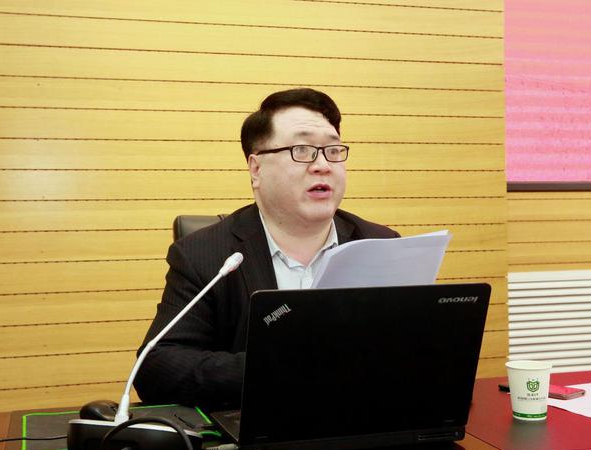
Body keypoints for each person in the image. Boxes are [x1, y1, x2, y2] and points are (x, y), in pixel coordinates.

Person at [134, 88, 400, 411]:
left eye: (332, 150)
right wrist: (277, 367)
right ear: (256, 169)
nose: (323, 165)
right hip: (258, 426)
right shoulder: (205, 255)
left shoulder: (381, 244)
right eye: (302, 150)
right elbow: (157, 367)